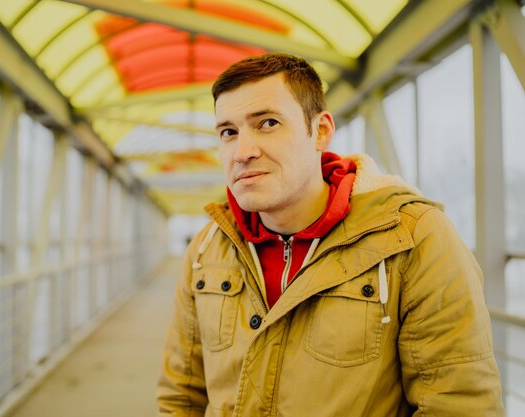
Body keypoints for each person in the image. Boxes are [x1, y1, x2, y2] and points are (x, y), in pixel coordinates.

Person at [156, 52, 504, 416]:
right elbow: (181, 396)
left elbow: (460, 404)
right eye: (229, 132)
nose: (242, 152)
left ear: (320, 131)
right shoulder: (208, 248)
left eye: (268, 123)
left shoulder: (413, 238)